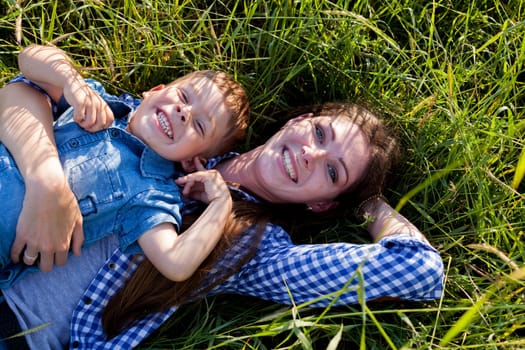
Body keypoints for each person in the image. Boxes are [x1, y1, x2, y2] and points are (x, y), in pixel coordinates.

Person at [0, 61, 444, 349]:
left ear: (324, 205)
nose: (311, 155)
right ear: (298, 121)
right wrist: (47, 182)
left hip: (16, 323)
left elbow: (419, 270)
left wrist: (369, 204)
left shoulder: (257, 247)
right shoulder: (182, 124)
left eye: (332, 173)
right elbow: (23, 91)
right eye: (320, 135)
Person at [0, 44, 251, 289]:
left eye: (199, 126)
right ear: (154, 91)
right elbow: (28, 59)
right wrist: (70, 81)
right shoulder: (97, 102)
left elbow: (176, 264)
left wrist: (221, 205)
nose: (183, 112)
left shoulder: (151, 192)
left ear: (191, 161)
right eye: (184, 96)